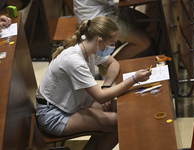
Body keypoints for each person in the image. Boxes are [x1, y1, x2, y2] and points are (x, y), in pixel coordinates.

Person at [36, 16, 151, 150]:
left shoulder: (90, 49)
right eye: (113, 43)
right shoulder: (75, 61)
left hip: (72, 103)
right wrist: (134, 79)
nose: (114, 47)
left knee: (121, 109)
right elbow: (100, 97)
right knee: (118, 122)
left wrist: (107, 85)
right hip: (54, 115)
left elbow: (114, 64)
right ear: (100, 41)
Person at [73, 0, 153, 61]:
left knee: (144, 21)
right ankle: (109, 66)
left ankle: (107, 51)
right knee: (145, 42)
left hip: (105, 8)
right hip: (96, 19)